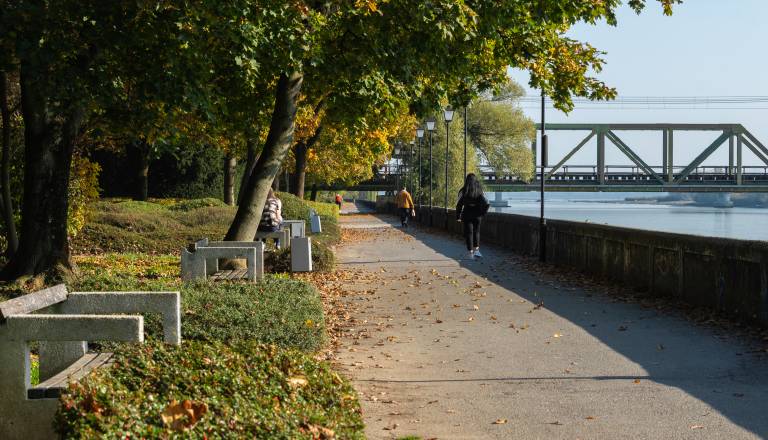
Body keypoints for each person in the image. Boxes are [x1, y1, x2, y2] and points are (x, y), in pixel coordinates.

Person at [456, 173, 490, 259]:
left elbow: (459, 204)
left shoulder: (463, 191)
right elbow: (486, 202)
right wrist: (483, 213)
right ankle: (477, 251)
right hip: (477, 214)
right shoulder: (480, 190)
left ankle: (470, 253)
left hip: (467, 214)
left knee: (469, 233)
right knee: (477, 232)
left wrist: (458, 216)